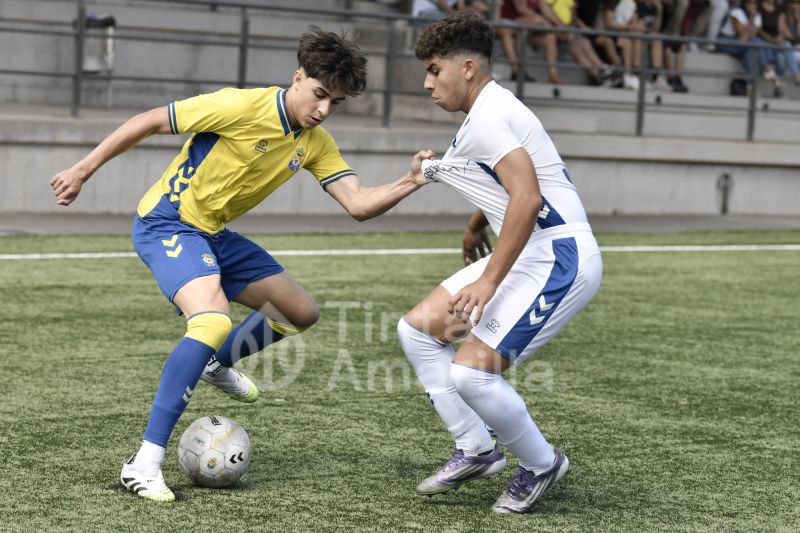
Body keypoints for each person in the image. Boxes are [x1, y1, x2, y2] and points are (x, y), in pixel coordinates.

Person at [50, 27, 433, 503]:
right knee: (211, 320)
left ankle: (216, 363)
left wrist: (410, 181)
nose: (323, 110)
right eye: (319, 95)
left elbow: (358, 203)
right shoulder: (240, 106)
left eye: (335, 103)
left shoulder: (315, 141)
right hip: (167, 223)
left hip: (213, 234)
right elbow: (149, 121)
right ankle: (143, 462)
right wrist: (81, 170)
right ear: (298, 77)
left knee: (299, 312)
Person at [400, 12, 602, 513]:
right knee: (418, 331)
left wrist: (489, 281)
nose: (427, 83)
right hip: (531, 247)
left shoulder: (489, 117)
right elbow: (508, 182)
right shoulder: (489, 109)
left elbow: (527, 197)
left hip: (558, 256)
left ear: (467, 68)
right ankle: (476, 449)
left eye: (434, 70)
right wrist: (477, 222)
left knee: (472, 375)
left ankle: (540, 464)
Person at [496, 0, 565, 83]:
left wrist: (561, 26)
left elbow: (546, 10)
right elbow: (521, 9)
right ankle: (517, 70)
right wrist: (544, 22)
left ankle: (552, 74)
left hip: (525, 26)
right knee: (535, 22)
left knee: (549, 38)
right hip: (510, 21)